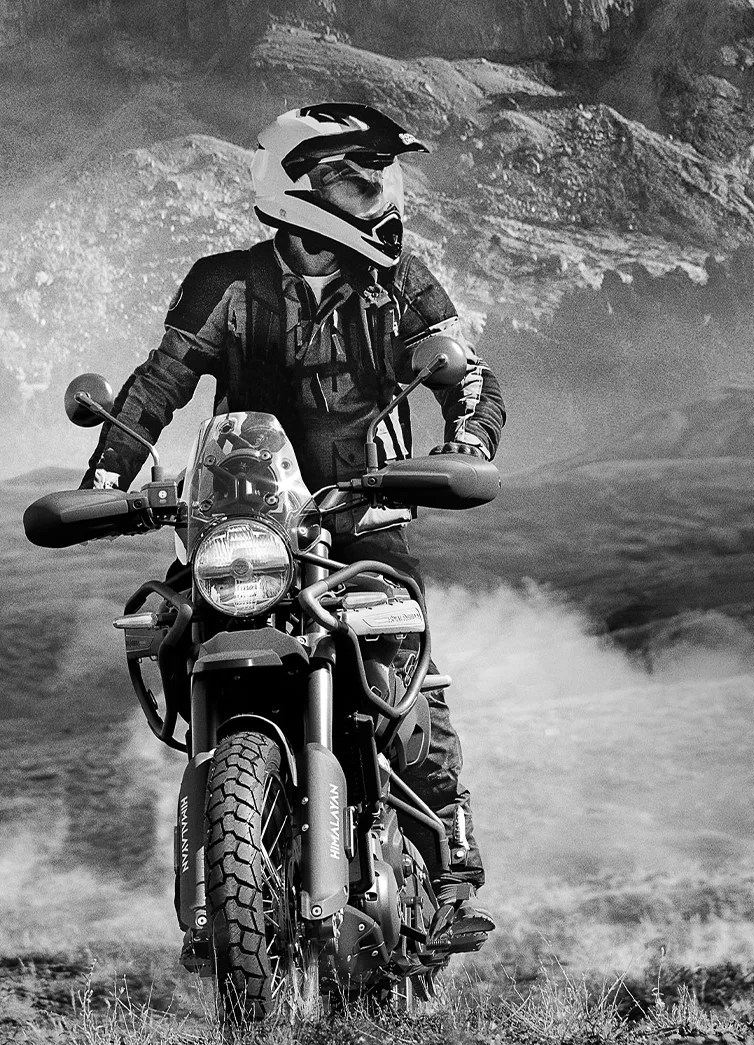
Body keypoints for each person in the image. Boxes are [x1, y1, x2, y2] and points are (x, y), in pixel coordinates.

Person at [80, 102, 505, 951]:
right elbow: (159, 383)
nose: (378, 187)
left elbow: (468, 379)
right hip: (245, 520)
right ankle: (224, 866)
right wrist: (104, 479)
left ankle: (448, 862)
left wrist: (463, 444)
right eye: (357, 173)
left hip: (361, 519)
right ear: (297, 184)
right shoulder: (225, 283)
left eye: (381, 172)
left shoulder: (402, 282)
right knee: (167, 627)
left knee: (399, 667)